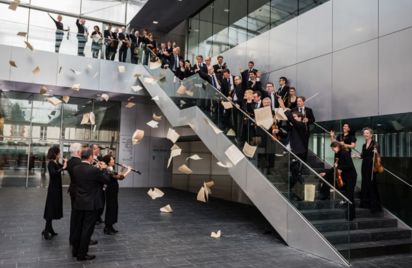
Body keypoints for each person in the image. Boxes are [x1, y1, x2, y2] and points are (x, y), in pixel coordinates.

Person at [71, 148, 110, 261]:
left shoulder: (75, 168)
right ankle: (82, 254)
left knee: (78, 228)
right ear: (89, 157)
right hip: (91, 204)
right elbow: (106, 180)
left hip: (79, 202)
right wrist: (104, 169)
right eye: (92, 156)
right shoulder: (93, 170)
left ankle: (75, 251)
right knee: (87, 230)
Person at [320, 141, 357, 220]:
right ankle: (324, 195)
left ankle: (351, 216)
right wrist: (326, 173)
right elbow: (335, 167)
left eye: (333, 148)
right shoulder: (337, 154)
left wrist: (339, 167)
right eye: (332, 149)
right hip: (344, 176)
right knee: (328, 177)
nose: (333, 150)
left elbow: (349, 166)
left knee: (350, 195)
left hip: (351, 177)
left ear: (338, 146)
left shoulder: (345, 153)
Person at [42, 145, 67, 240]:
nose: (60, 154)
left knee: (52, 209)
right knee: (50, 209)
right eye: (59, 153)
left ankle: (49, 229)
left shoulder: (55, 162)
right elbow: (54, 173)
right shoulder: (51, 163)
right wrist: (62, 167)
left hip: (56, 189)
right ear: (55, 154)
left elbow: (63, 168)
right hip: (53, 190)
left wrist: (65, 164)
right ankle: (46, 231)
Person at [102, 155, 131, 235]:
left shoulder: (111, 168)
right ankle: (107, 228)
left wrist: (123, 168)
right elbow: (120, 177)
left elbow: (118, 174)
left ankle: (110, 226)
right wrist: (128, 171)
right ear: (108, 162)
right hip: (110, 191)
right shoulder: (108, 169)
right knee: (111, 207)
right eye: (112, 159)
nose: (113, 160)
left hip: (113, 191)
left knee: (114, 207)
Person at [359, 127, 382, 213]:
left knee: (372, 184)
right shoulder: (364, 145)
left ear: (371, 135)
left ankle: (374, 206)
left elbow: (378, 156)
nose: (365, 134)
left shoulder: (375, 144)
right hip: (364, 165)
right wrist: (357, 156)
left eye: (367, 133)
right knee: (365, 183)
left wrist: (376, 153)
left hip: (371, 166)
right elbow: (363, 156)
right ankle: (365, 203)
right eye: (364, 133)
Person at [66, 143, 82, 246]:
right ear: (78, 151)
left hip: (73, 190)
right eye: (81, 150)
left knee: (75, 215)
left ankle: (73, 238)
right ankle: (77, 239)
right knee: (79, 216)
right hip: (79, 192)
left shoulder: (70, 162)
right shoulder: (78, 163)